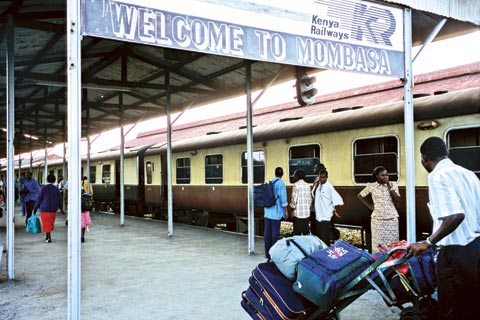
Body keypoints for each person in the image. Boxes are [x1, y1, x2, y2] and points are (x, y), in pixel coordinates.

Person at [407, 137, 480, 320]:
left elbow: (455, 215)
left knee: (451, 308)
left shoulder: (437, 176)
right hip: (476, 249)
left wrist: (427, 242)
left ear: (424, 158)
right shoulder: (468, 174)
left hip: (456, 253)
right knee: (472, 305)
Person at [357, 166, 400, 253]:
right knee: (378, 244)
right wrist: (370, 206)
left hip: (391, 219)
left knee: (392, 243)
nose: (385, 177)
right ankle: (378, 261)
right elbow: (360, 196)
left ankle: (392, 262)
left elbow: (397, 199)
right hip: (377, 220)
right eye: (382, 175)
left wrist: (389, 186)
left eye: (386, 175)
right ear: (376, 176)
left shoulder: (393, 184)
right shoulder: (371, 186)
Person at [312, 169, 343, 245]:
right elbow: (313, 195)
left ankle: (325, 252)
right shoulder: (319, 185)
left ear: (327, 177)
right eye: (320, 177)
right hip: (319, 216)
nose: (322, 179)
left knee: (325, 237)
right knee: (319, 236)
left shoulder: (329, 187)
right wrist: (315, 185)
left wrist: (335, 210)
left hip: (326, 216)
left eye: (324, 177)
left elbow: (338, 200)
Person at [264, 167, 288, 259]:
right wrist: (286, 211)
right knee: (275, 234)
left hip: (267, 212)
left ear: (275, 173)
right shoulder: (281, 183)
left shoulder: (270, 182)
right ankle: (273, 254)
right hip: (276, 213)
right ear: (282, 174)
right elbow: (283, 199)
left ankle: (267, 253)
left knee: (267, 233)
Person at [33, 174, 64, 243]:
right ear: (54, 180)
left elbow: (39, 199)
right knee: (50, 223)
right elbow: (59, 199)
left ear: (47, 179)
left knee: (46, 223)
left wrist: (35, 208)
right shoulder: (56, 189)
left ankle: (48, 236)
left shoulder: (43, 188)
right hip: (53, 209)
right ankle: (48, 235)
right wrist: (61, 208)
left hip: (44, 208)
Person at [289, 170, 311, 235]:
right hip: (306, 214)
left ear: (297, 176)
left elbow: (294, 200)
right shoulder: (308, 185)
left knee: (297, 234)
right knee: (305, 233)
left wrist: (292, 209)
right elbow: (310, 200)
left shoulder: (296, 185)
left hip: (298, 214)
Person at [81, 176, 94, 243]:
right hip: (85, 207)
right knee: (84, 224)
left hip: (79, 208)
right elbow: (91, 192)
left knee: (79, 223)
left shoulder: (80, 183)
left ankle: (79, 236)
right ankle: (82, 236)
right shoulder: (89, 183)